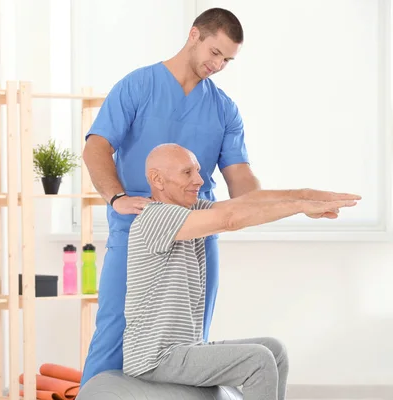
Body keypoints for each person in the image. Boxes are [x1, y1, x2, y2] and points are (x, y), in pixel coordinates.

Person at [81, 7, 258, 386]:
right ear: (194, 35)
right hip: (137, 228)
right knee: (113, 331)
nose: (219, 65)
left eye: (227, 60)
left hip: (195, 236)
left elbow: (240, 175)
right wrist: (116, 198)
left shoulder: (224, 108)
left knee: (192, 339)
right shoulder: (137, 86)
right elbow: (96, 147)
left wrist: (269, 206)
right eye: (215, 53)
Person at [122, 143, 360, 400]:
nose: (199, 180)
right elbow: (231, 219)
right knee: (257, 360)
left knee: (274, 349)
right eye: (187, 172)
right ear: (157, 179)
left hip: (183, 348)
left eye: (198, 171)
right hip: (155, 357)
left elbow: (247, 203)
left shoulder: (190, 211)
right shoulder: (154, 217)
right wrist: (300, 206)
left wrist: (306, 195)